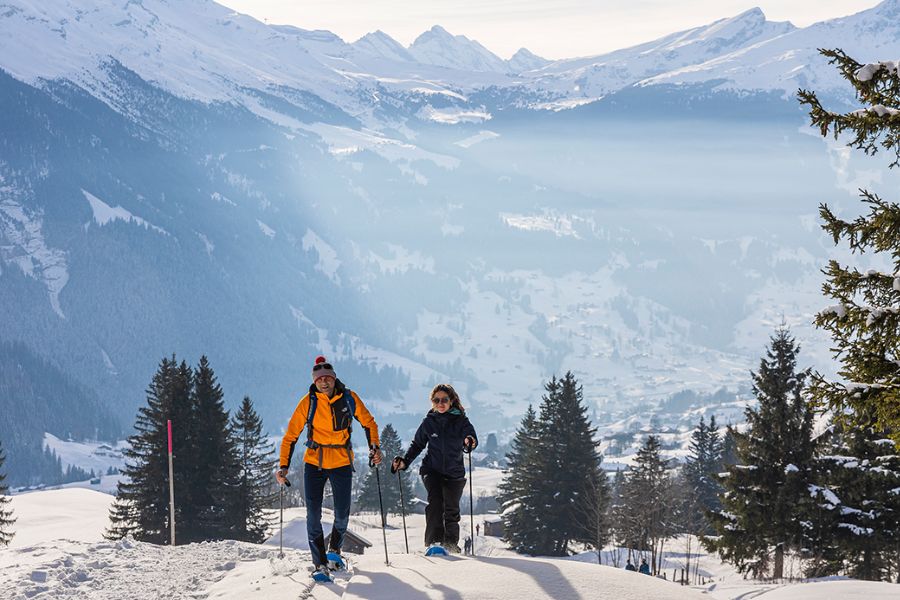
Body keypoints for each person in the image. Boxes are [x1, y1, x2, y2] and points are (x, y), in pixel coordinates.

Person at [276, 356, 382, 579]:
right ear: (314, 382)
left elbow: (369, 423)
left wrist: (375, 447)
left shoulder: (349, 398)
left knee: (342, 513)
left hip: (342, 461)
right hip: (315, 462)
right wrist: (283, 466)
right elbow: (290, 436)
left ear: (334, 379)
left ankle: (334, 550)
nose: (324, 382)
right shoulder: (308, 401)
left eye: (327, 378)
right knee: (312, 514)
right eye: (319, 379)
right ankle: (319, 563)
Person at [392, 383, 477, 554]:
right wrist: (405, 462)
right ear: (432, 402)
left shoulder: (461, 421)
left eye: (444, 399)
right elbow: (417, 445)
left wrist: (469, 441)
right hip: (432, 470)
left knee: (451, 510)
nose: (440, 403)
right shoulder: (429, 422)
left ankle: (451, 545)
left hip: (454, 472)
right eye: (436, 400)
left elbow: (471, 437)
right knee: (436, 503)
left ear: (451, 400)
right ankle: (434, 543)